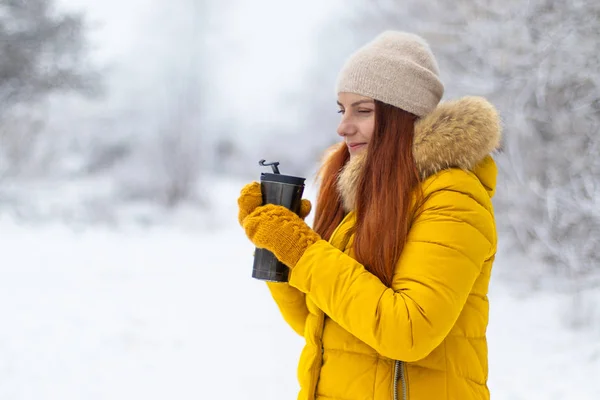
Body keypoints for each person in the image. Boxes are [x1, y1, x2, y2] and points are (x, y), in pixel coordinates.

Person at [237, 31, 501, 400]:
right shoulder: (368, 198)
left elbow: (407, 332)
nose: (344, 126)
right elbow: (322, 325)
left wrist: (304, 251)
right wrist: (276, 249)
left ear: (403, 117)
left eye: (363, 111)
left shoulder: (453, 199)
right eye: (342, 109)